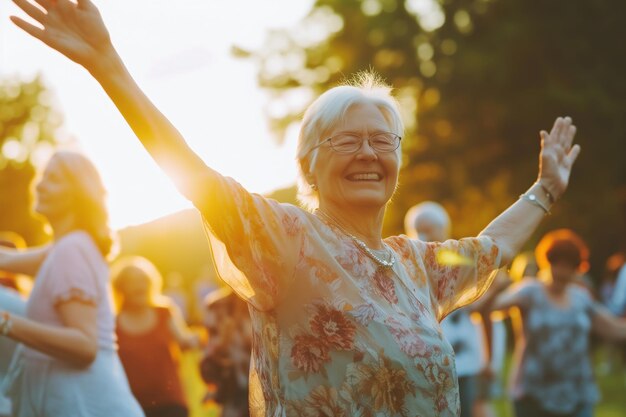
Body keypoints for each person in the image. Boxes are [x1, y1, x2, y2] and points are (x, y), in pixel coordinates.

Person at [9, 2, 581, 415]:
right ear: (308, 164)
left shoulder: (416, 266)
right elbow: (197, 178)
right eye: (346, 141)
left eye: (382, 141)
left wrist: (545, 190)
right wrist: (108, 64)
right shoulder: (286, 238)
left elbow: (491, 248)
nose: (367, 154)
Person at [0, 151, 144, 417]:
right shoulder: (65, 248)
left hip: (89, 406)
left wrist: (5, 321)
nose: (40, 184)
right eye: (43, 176)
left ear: (78, 193)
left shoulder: (72, 249)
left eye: (53, 179)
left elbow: (85, 345)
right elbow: (6, 258)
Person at [491, 229, 626, 417]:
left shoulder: (581, 298)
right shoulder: (529, 291)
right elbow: (492, 307)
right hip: (533, 395)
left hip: (578, 394)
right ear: (547, 262)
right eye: (558, 264)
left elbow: (612, 328)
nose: (563, 271)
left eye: (569, 266)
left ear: (577, 268)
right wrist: (493, 285)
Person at [404, 202, 509, 417]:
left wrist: (489, 358)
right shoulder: (407, 263)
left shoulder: (455, 259)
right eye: (419, 230)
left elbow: (497, 281)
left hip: (464, 363)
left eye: (428, 229)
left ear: (443, 230)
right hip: (426, 364)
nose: (423, 236)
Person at [111, 256, 202, 417]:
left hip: (171, 402)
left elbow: (185, 341)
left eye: (144, 280)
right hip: (133, 405)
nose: (140, 286)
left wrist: (203, 336)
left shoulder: (164, 312)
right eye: (132, 282)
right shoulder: (113, 323)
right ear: (121, 287)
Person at [200, 286, 252, 417]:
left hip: (272, 386)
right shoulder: (218, 306)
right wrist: (223, 341)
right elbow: (209, 352)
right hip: (234, 386)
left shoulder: (270, 302)